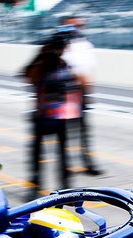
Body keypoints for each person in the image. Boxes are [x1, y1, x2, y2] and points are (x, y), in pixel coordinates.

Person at [22, 34, 82, 199]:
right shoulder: (44, 66)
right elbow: (27, 75)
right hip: (47, 115)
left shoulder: (60, 66)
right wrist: (41, 56)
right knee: (46, 153)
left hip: (55, 116)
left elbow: (76, 82)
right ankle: (39, 185)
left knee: (55, 154)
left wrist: (40, 56)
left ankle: (61, 186)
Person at [61, 17, 103, 177]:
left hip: (79, 93)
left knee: (84, 133)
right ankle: (66, 165)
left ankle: (88, 163)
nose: (77, 28)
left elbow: (87, 72)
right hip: (63, 94)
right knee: (64, 132)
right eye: (73, 25)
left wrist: (87, 94)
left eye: (80, 25)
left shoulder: (85, 46)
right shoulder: (60, 47)